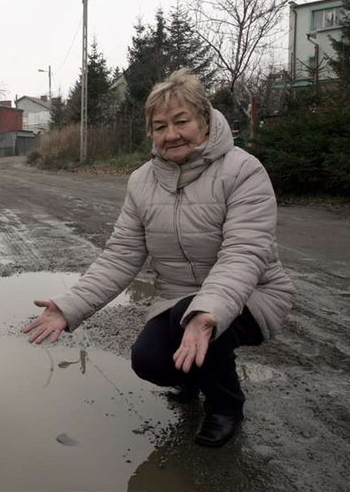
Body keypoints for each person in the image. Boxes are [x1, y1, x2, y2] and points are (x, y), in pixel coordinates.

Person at [23, 69, 294, 447]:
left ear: (203, 120)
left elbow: (244, 254)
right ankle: (193, 375)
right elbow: (121, 255)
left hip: (252, 294)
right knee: (147, 360)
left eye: (181, 121)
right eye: (159, 126)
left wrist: (207, 313)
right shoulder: (141, 182)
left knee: (202, 323)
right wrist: (69, 307)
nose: (171, 135)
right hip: (176, 299)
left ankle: (225, 406)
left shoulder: (243, 170)